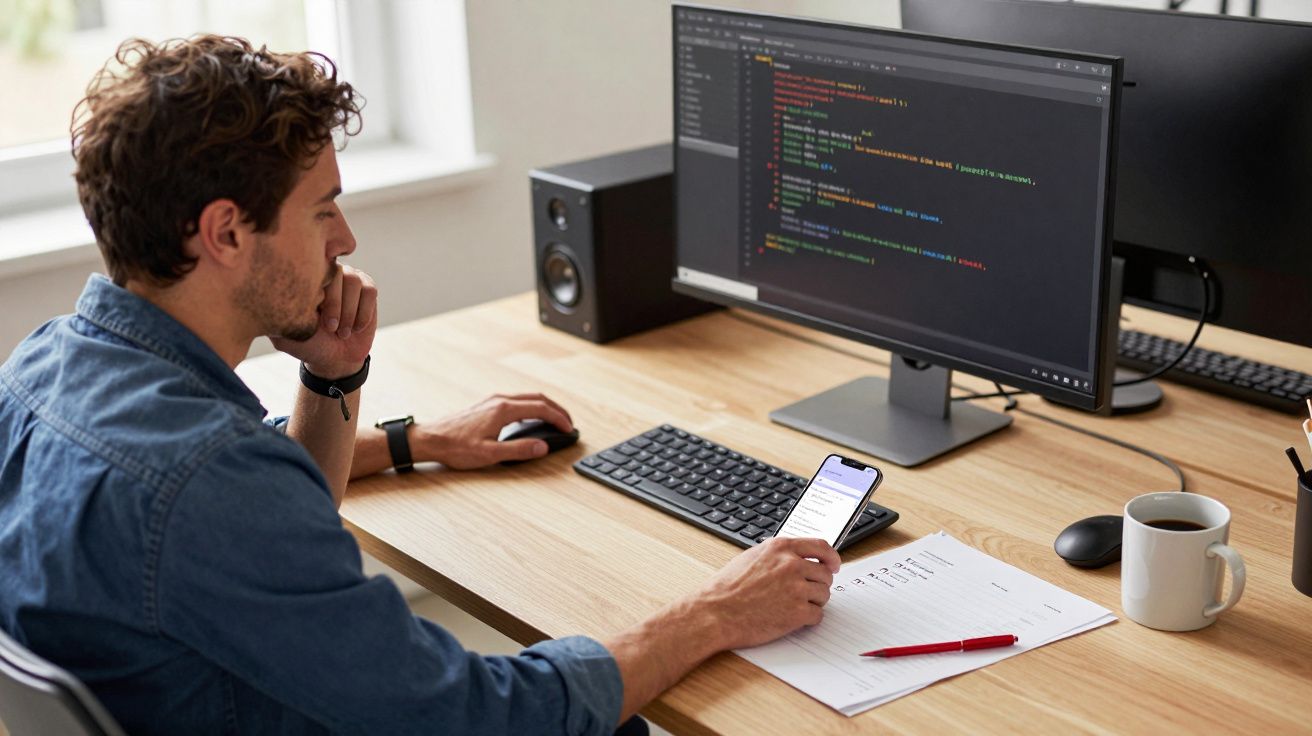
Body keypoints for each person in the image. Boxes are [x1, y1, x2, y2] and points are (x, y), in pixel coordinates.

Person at [0, 35, 841, 735]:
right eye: (323, 208)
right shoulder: (211, 485)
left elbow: (251, 510)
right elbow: (486, 719)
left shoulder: (41, 370)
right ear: (225, 231)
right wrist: (712, 612)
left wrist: (363, 405)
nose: (346, 237)